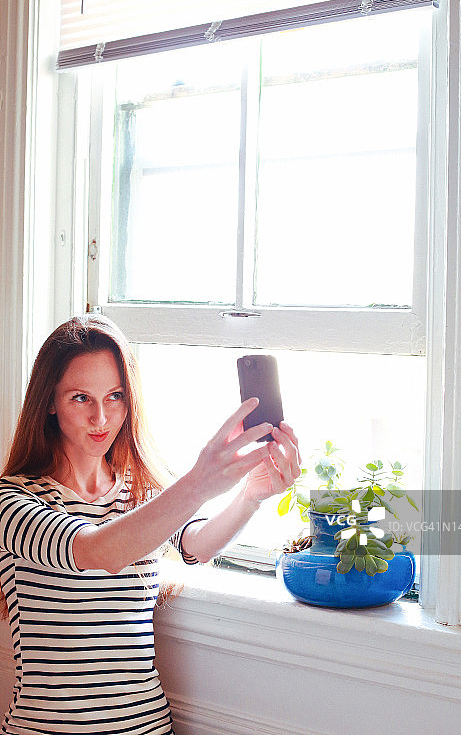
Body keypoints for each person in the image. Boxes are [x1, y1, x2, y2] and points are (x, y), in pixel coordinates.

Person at [0, 314, 300, 735]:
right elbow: (97, 551)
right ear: (49, 402)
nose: (101, 418)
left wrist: (250, 496)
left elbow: (195, 544)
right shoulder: (12, 500)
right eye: (81, 398)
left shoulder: (141, 493)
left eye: (115, 396)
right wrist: (198, 482)